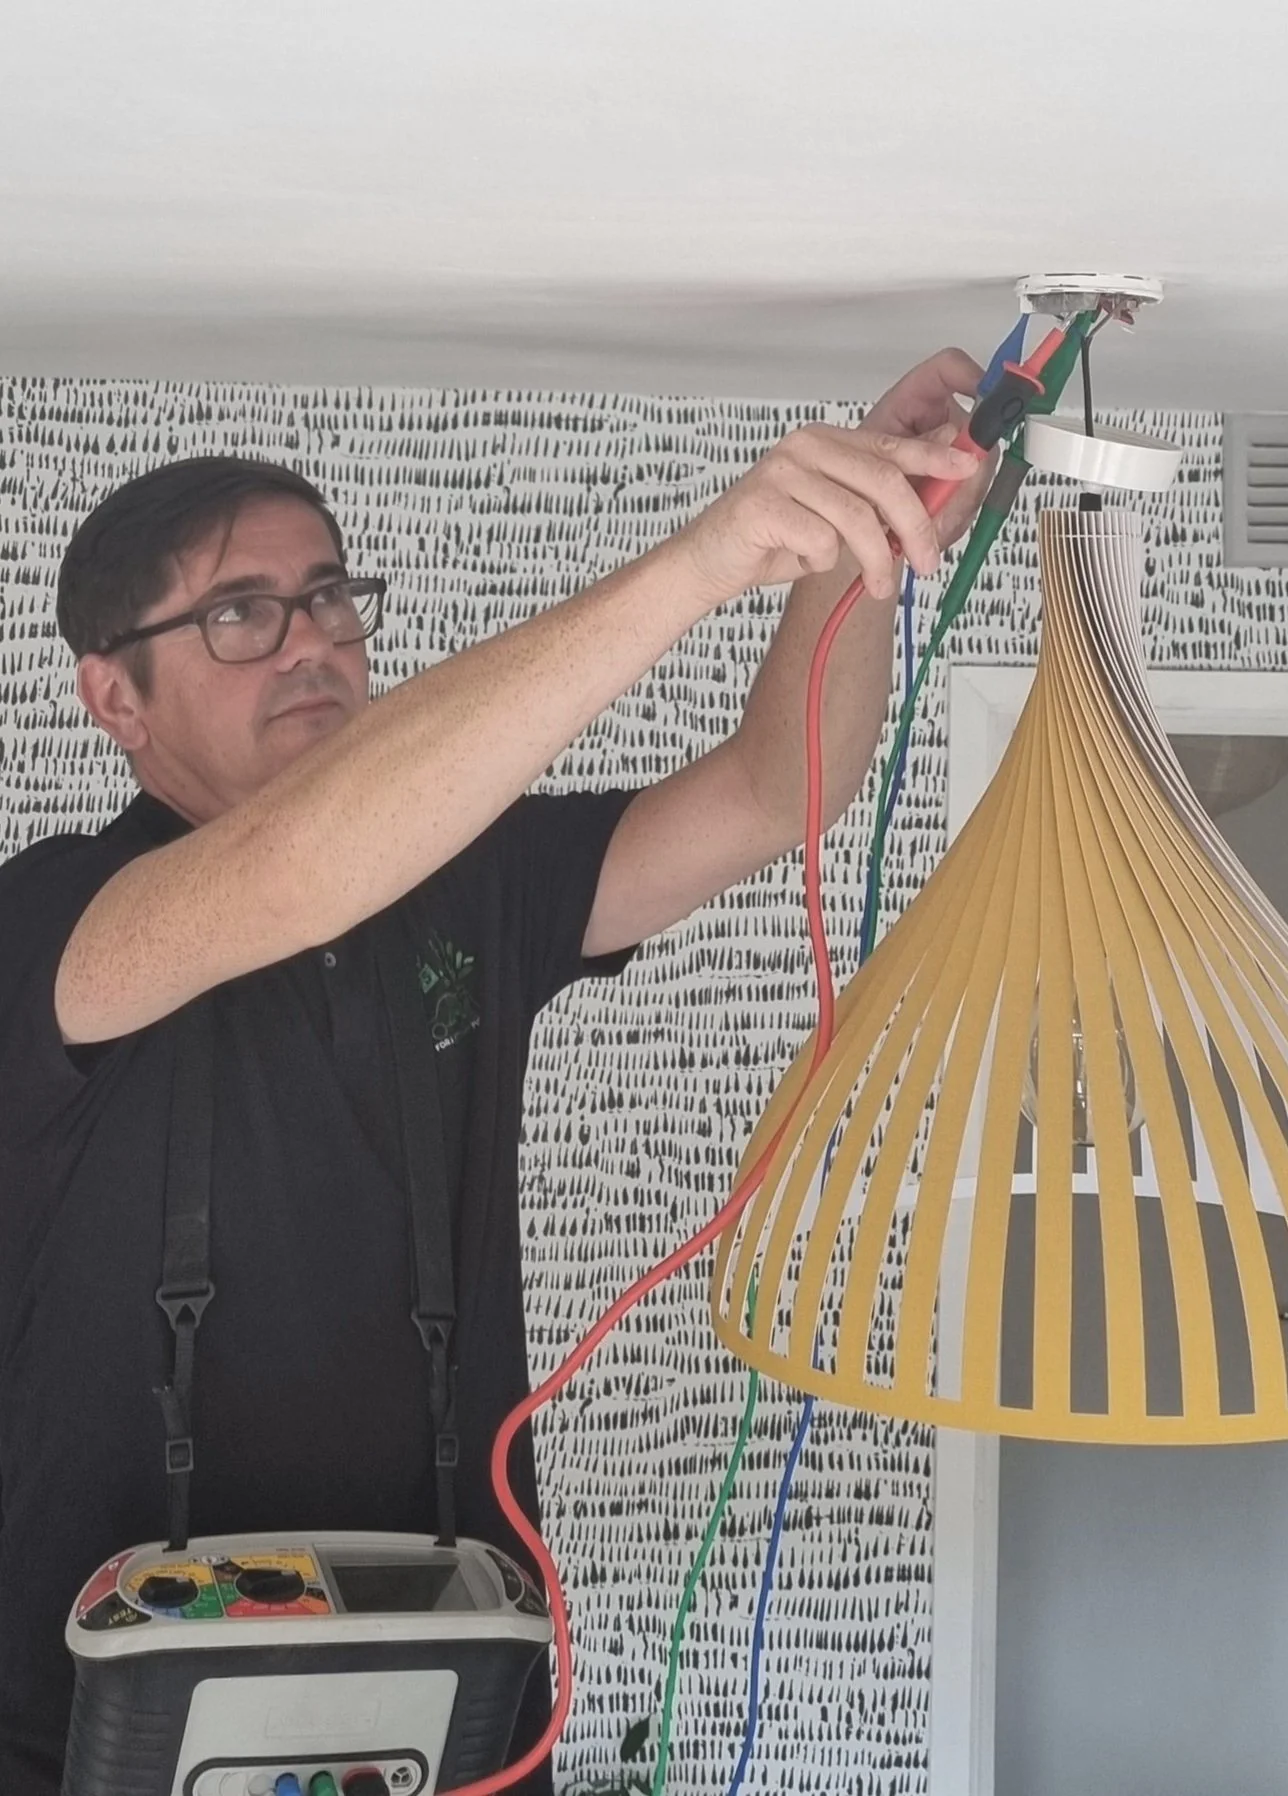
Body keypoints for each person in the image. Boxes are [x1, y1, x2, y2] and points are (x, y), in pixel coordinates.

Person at [0, 349, 987, 1794]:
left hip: (446, 1710)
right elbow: (294, 871)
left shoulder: (468, 889)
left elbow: (780, 786)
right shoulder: (52, 917)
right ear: (116, 700)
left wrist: (854, 552)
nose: (311, 642)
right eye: (237, 614)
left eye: (329, 595)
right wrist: (699, 557)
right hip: (99, 1729)